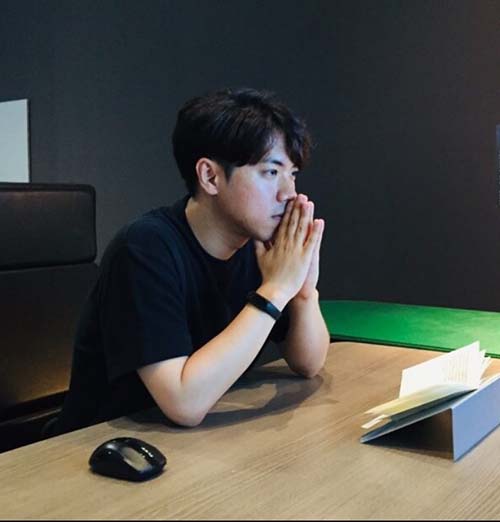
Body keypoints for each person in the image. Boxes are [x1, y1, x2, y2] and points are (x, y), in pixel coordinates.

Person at [52, 87, 329, 435]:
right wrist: (275, 290)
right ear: (210, 176)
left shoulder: (259, 247)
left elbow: (308, 362)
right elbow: (183, 403)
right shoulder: (145, 248)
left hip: (198, 445)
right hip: (103, 445)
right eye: (271, 172)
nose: (289, 193)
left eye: (292, 174)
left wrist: (302, 292)